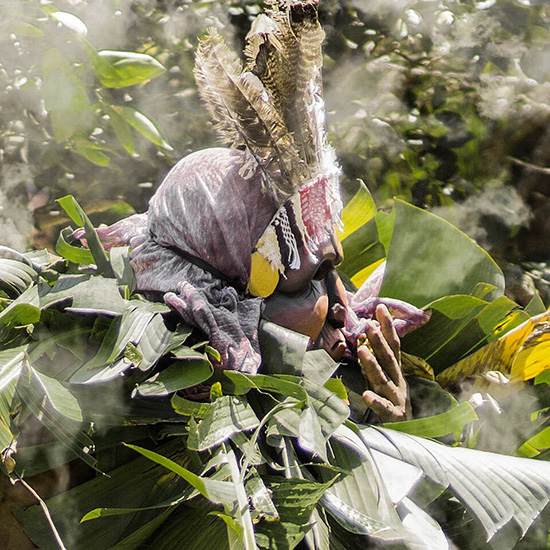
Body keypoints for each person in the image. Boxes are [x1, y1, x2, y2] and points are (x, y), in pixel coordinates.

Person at [76, 0, 429, 423]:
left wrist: (399, 423)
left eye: (330, 272)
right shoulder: (106, 414)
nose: (342, 306)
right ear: (221, 307)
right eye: (306, 284)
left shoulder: (368, 365)